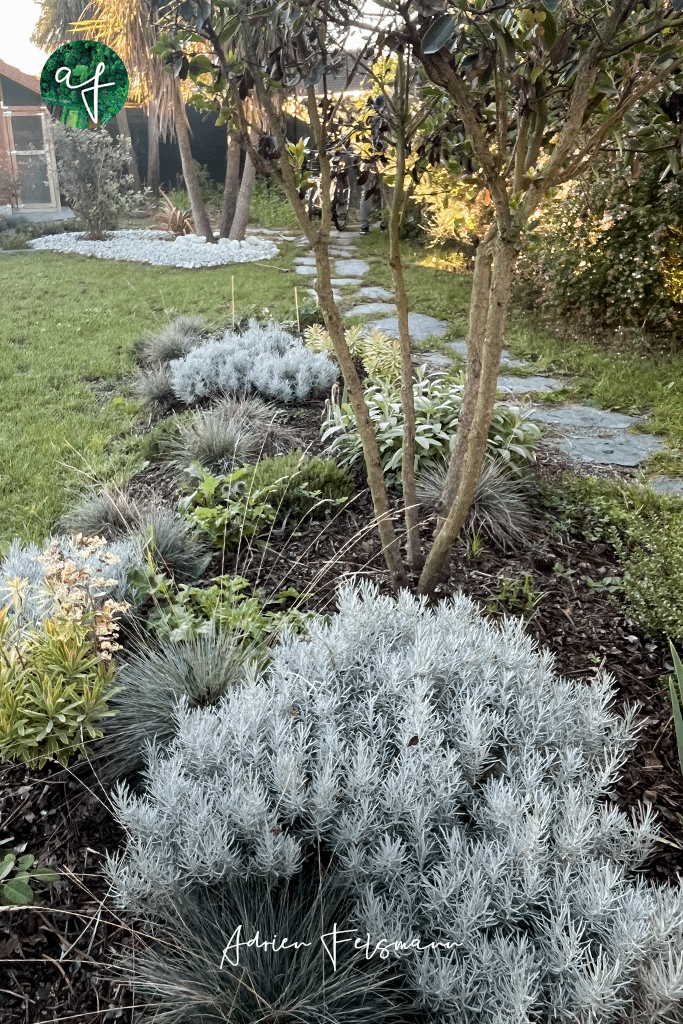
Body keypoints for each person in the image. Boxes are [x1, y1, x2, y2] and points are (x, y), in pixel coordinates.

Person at [358, 94, 389, 234]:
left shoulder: (366, 114)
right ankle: (384, 222)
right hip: (380, 159)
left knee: (367, 193)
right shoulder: (380, 117)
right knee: (385, 191)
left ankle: (365, 225)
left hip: (367, 159)